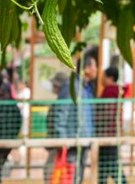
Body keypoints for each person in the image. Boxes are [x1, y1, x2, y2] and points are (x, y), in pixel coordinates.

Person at [46, 47, 98, 184]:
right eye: (95, 66)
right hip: (71, 142)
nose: (96, 70)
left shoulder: (87, 87)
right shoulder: (71, 86)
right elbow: (61, 112)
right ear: (86, 68)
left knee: (77, 177)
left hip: (83, 140)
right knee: (69, 176)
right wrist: (63, 139)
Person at [95, 66, 127, 184]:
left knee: (110, 165)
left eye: (103, 77)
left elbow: (107, 112)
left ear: (111, 78)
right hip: (113, 133)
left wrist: (96, 117)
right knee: (107, 165)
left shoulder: (109, 92)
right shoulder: (117, 92)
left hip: (107, 134)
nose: (101, 79)